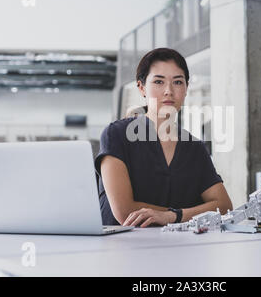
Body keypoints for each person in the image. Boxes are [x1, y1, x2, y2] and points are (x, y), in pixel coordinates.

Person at [94, 48, 233, 227]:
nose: (169, 91)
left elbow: (223, 206)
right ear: (142, 88)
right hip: (123, 249)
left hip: (177, 250)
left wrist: (172, 216)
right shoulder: (116, 136)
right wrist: (190, 213)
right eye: (159, 81)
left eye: (177, 82)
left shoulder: (194, 148)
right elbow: (125, 211)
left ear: (186, 88)